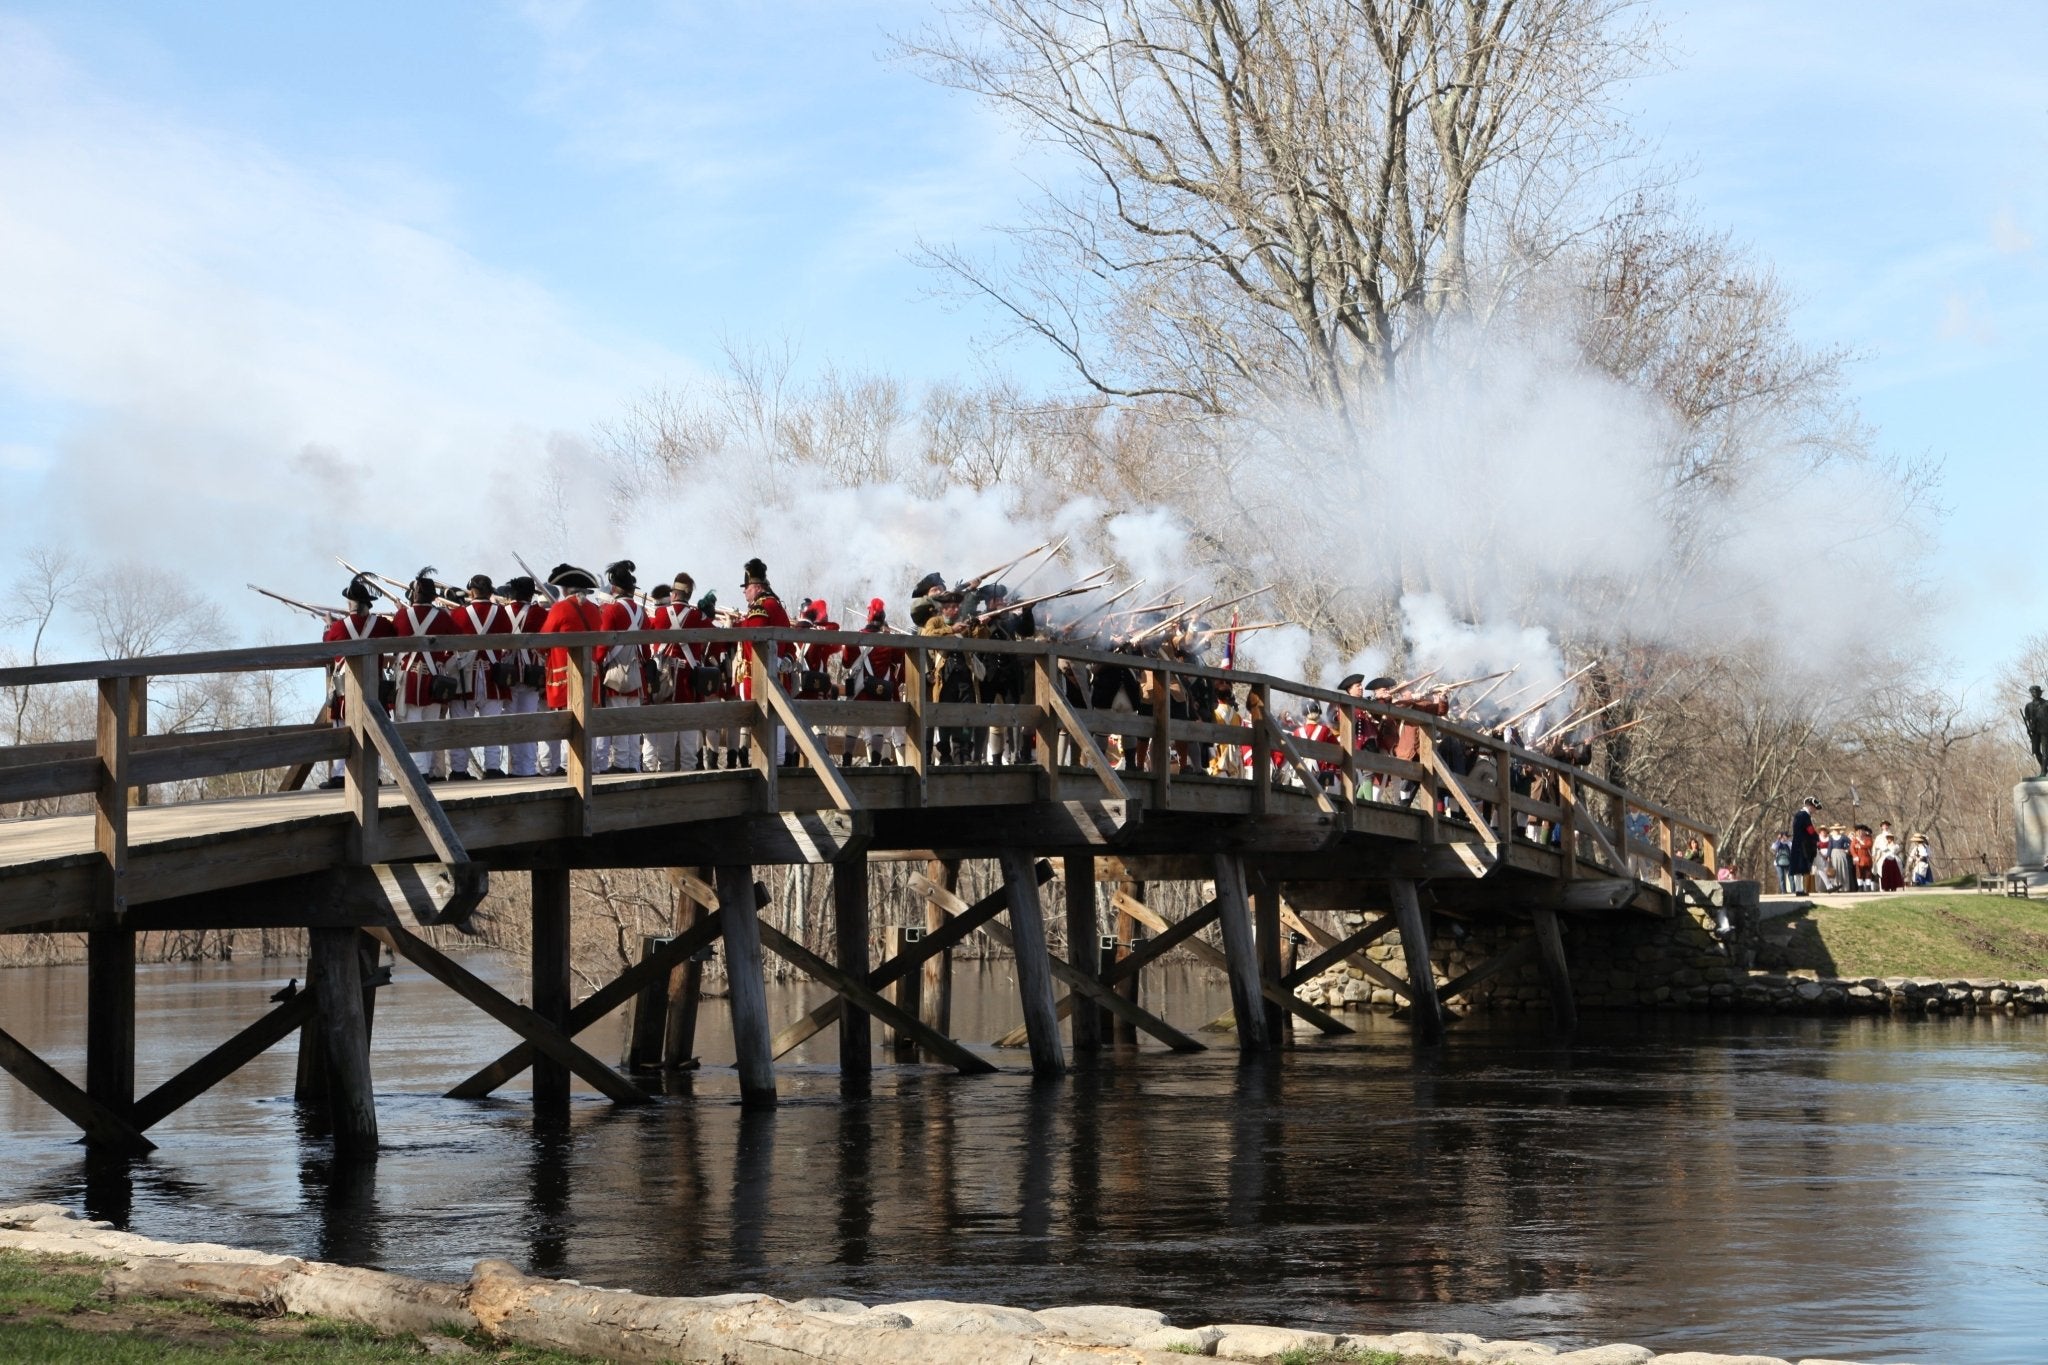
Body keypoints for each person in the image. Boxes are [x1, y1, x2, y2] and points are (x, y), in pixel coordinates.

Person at [388, 569, 469, 780]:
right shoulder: (442, 616)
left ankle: (418, 772)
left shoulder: (402, 615)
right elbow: (460, 640)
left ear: (414, 595)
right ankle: (426, 771)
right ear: (433, 597)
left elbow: (393, 635)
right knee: (430, 725)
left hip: (411, 678)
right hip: (436, 677)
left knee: (412, 724)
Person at [317, 575, 395, 789]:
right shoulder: (379, 624)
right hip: (373, 686)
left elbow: (327, 644)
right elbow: (393, 632)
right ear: (367, 603)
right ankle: (372, 774)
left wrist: (329, 625)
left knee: (343, 729)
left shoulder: (339, 627)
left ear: (349, 604)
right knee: (375, 731)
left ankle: (341, 775)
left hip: (345, 688)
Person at [540, 563, 605, 772]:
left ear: (566, 589)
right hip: (591, 672)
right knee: (587, 719)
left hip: (564, 674)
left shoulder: (560, 608)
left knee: (566, 720)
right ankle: (589, 764)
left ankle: (566, 766)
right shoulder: (594, 610)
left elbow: (543, 640)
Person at [449, 574, 513, 780]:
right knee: (491, 725)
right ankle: (493, 767)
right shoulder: (501, 613)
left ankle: (459, 770)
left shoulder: (458, 613)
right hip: (491, 676)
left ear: (472, 591)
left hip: (465, 676)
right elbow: (508, 638)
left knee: (461, 726)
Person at [595, 561, 649, 773]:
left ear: (614, 587)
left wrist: (597, 663)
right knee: (633, 722)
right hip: (636, 673)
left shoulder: (611, 611)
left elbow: (602, 645)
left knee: (618, 720)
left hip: (615, 672)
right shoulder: (641, 612)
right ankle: (633, 763)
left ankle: (620, 763)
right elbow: (646, 647)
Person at [498, 576, 549, 778]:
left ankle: (515, 767)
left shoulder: (503, 611)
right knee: (528, 722)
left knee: (511, 721)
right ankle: (526, 769)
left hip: (508, 672)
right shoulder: (538, 612)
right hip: (531, 672)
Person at [1789, 797, 1821, 895]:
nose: (1815, 811)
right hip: (1802, 844)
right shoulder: (1804, 815)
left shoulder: (1799, 814)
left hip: (1798, 843)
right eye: (1815, 808)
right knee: (1800, 867)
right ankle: (1799, 890)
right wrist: (1816, 838)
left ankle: (1799, 889)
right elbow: (1809, 829)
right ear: (1810, 806)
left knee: (1799, 869)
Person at [1873, 821, 1905, 891]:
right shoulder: (1879, 837)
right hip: (1882, 854)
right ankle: (1883, 886)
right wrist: (1875, 855)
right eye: (1884, 825)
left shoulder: (1892, 835)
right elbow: (1875, 846)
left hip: (1892, 854)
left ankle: (1894, 884)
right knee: (1880, 868)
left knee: (1899, 864)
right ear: (1881, 827)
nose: (1885, 827)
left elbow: (1896, 847)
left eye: (1887, 825)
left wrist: (1892, 844)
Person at [1770, 830, 1794, 894]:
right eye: (1783, 836)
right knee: (1781, 878)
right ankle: (1784, 891)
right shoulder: (1778, 843)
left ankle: (1793, 891)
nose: (1785, 838)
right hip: (1778, 863)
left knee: (1791, 877)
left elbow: (1793, 850)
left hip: (1789, 862)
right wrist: (1778, 839)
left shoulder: (1789, 843)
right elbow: (1773, 847)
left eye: (1786, 836)